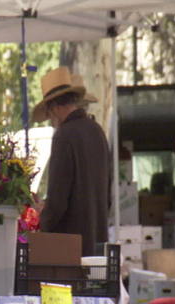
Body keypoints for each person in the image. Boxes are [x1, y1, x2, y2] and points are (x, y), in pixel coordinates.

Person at [32, 66, 110, 256]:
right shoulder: (97, 131)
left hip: (70, 247)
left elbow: (59, 199)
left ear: (55, 108)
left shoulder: (64, 136)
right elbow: (106, 192)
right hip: (98, 241)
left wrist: (43, 218)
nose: (51, 120)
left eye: (49, 114)